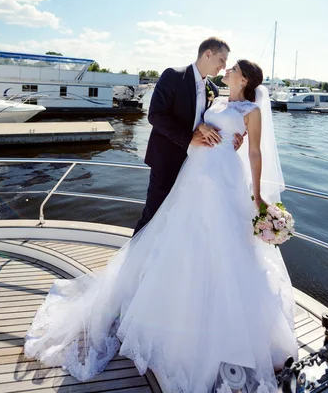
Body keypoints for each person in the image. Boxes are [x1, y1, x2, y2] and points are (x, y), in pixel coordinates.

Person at [24, 59, 298, 393]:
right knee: (182, 238)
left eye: (231, 69)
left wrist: (257, 194)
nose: (225, 72)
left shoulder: (251, 110)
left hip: (223, 176)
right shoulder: (218, 101)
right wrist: (197, 133)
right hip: (195, 173)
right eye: (224, 66)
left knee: (223, 243)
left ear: (243, 78)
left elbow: (254, 152)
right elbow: (199, 127)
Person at [134, 37, 244, 234]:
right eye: (222, 59)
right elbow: (155, 115)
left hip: (197, 163)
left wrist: (233, 137)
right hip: (166, 159)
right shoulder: (174, 76)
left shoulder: (214, 89)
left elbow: (212, 122)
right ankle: (133, 262)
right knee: (154, 213)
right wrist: (188, 138)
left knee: (182, 217)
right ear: (208, 53)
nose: (224, 66)